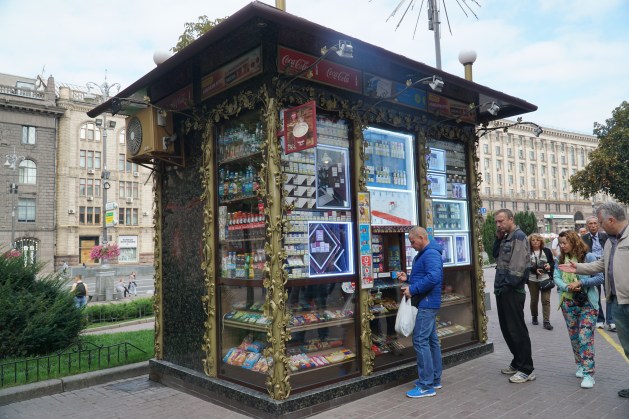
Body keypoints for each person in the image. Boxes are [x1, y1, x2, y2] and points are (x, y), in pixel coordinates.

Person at [559, 202, 629, 398]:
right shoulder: (610, 241)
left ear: (611, 220)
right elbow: (601, 265)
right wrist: (578, 268)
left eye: (600, 222)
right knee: (627, 348)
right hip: (617, 302)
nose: (598, 226)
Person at [553, 230, 604, 388]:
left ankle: (589, 374)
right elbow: (556, 277)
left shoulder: (588, 257)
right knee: (574, 337)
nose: (562, 246)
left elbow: (600, 277)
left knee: (584, 337)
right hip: (568, 303)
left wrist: (581, 283)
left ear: (574, 242)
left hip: (587, 303)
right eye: (560, 243)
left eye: (565, 243)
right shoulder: (560, 258)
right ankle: (581, 364)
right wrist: (566, 286)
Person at [398, 226, 443, 398]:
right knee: (431, 340)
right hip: (427, 301)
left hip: (427, 302)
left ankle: (426, 386)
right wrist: (408, 279)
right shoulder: (427, 253)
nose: (411, 245)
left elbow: (433, 277)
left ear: (422, 238)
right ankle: (434, 379)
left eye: (412, 241)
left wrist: (413, 289)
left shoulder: (430, 254)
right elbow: (426, 275)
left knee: (420, 340)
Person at [493, 209, 535, 383]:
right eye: (496, 222)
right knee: (507, 329)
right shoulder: (506, 237)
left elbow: (517, 267)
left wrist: (507, 285)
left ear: (511, 219)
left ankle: (527, 369)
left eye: (501, 221)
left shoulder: (518, 236)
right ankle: (517, 362)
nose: (498, 224)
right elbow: (496, 255)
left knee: (516, 330)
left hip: (512, 290)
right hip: (503, 289)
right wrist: (498, 238)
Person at [581, 216, 612, 331]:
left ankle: (611, 320)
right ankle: (600, 319)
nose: (593, 226)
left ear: (598, 225)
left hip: (606, 266)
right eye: (590, 224)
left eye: (595, 223)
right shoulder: (583, 238)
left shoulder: (605, 236)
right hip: (593, 267)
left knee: (609, 293)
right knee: (596, 294)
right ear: (587, 226)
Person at [527, 233, 554, 330]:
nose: (535, 242)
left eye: (537, 240)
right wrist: (534, 270)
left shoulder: (546, 251)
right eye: (533, 240)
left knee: (546, 300)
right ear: (530, 242)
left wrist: (549, 266)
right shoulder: (527, 251)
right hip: (532, 279)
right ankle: (534, 315)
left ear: (541, 241)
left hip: (545, 278)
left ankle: (546, 321)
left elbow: (552, 262)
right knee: (534, 300)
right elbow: (525, 265)